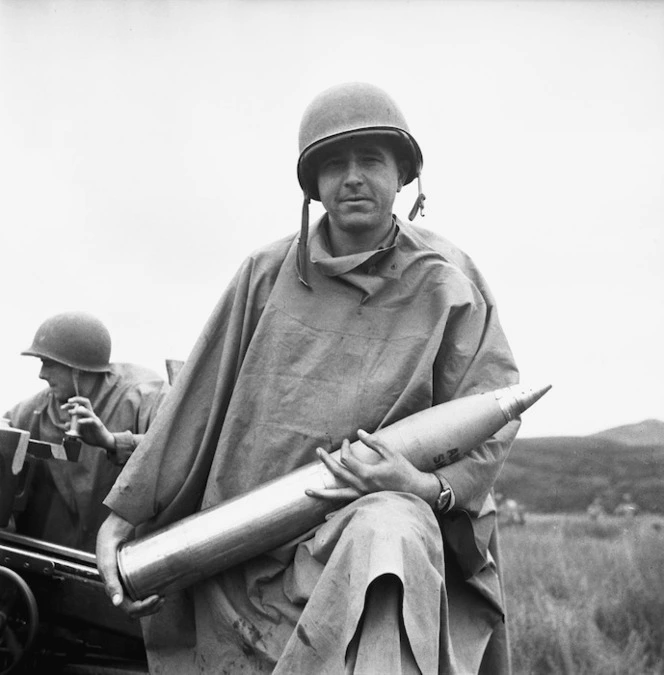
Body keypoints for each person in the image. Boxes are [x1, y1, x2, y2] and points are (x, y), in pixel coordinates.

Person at [97, 82, 521, 674]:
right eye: (333, 164)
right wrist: (121, 520)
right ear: (313, 184)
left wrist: (424, 488)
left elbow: (487, 416)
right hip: (247, 550)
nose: (352, 177)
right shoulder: (264, 276)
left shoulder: (451, 282)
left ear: (402, 175)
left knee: (389, 534)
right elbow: (194, 407)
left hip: (377, 535)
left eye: (370, 159)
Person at [3, 311, 170, 552]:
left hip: (124, 559)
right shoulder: (39, 409)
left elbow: (178, 452)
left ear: (77, 369)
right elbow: (5, 428)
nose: (42, 374)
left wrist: (113, 442)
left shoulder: (145, 396)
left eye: (48, 363)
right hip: (54, 558)